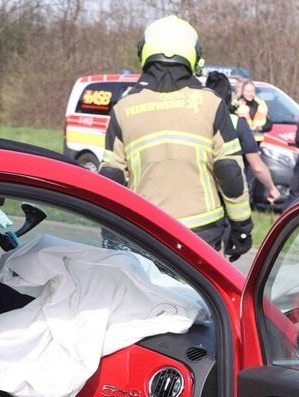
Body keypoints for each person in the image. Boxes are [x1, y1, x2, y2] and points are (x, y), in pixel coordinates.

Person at [98, 16, 254, 260]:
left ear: (145, 54)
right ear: (192, 56)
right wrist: (241, 228)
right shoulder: (210, 103)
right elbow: (229, 170)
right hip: (202, 235)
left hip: (146, 231)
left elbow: (111, 176)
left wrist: (110, 230)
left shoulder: (124, 108)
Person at [206, 71, 281, 206]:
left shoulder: (197, 120)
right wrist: (272, 188)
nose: (250, 93)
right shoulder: (236, 119)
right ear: (230, 94)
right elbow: (258, 167)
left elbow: (268, 122)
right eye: (247, 90)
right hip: (230, 182)